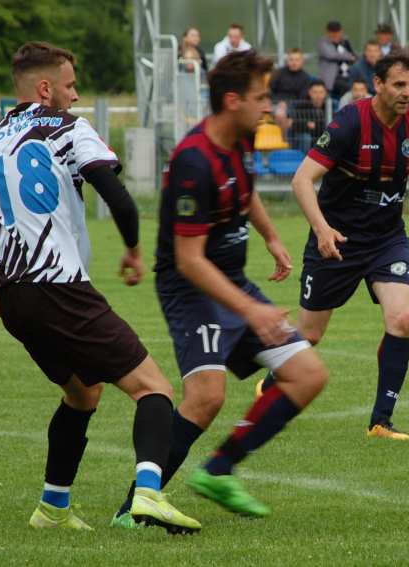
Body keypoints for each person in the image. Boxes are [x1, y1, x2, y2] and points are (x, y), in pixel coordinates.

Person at [0, 41, 201, 534]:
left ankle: (52, 507)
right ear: (46, 89)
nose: (77, 95)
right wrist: (131, 249)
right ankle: (148, 493)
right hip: (59, 287)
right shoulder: (67, 128)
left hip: (15, 293)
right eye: (70, 85)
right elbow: (120, 200)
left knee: (83, 394)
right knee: (155, 388)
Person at [111, 50, 329, 523]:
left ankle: (219, 470)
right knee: (206, 397)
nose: (269, 106)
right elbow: (189, 261)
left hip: (231, 281)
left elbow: (245, 195)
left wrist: (271, 237)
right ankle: (132, 508)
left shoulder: (242, 139)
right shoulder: (193, 161)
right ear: (232, 100)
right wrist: (253, 312)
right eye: (261, 97)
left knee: (308, 375)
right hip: (192, 288)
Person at [257, 53, 409, 441]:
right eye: (399, 85)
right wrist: (322, 229)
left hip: (387, 241)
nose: (407, 93)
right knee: (310, 334)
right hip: (337, 242)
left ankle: (381, 421)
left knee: (402, 318)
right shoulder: (350, 122)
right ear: (378, 84)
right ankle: (273, 379)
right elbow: (301, 180)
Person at [270, 48, 312, 130]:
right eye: (291, 59)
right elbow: (271, 90)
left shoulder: (306, 78)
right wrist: (278, 102)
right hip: (276, 103)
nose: (294, 62)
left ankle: (282, 140)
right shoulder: (279, 73)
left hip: (294, 107)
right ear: (287, 60)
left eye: (297, 60)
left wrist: (287, 104)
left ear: (302, 61)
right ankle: (283, 140)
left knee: (280, 114)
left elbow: (302, 98)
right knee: (280, 113)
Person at [318, 21, 357, 99]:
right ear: (327, 32)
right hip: (333, 78)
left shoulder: (345, 41)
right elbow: (331, 55)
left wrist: (352, 57)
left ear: (341, 31)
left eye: (337, 32)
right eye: (332, 32)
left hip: (349, 75)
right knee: (346, 88)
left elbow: (353, 54)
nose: (335, 35)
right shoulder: (323, 41)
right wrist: (349, 57)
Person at [289, 79, 328, 152]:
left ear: (325, 93)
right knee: (306, 138)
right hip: (305, 139)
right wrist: (308, 125)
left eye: (321, 92)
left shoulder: (330, 106)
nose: (318, 95)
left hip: (322, 138)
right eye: (315, 92)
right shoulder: (301, 106)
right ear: (309, 92)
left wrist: (313, 125)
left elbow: (330, 127)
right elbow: (294, 124)